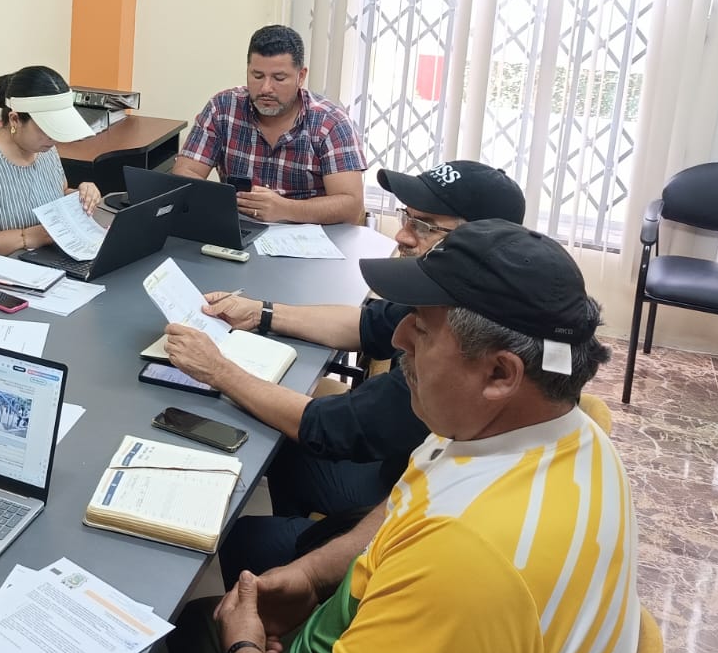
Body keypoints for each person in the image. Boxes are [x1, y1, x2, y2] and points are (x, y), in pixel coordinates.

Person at [169, 220, 639, 653]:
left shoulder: (472, 558)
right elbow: (406, 502)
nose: (398, 337)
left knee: (194, 636)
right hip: (386, 651)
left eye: (421, 328)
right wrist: (311, 575)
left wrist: (241, 652)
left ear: (500, 373)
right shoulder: (545, 431)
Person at [164, 161, 525, 580]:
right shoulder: (455, 294)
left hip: (398, 506)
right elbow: (366, 323)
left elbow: (328, 425)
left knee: (249, 539)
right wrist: (260, 312)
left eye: (424, 226)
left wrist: (218, 370)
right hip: (403, 470)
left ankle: (290, 582)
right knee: (285, 450)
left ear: (480, 239)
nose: (402, 236)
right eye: (407, 218)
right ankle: (301, 534)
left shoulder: (462, 348)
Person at [172, 25, 366, 225]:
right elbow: (184, 175)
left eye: (279, 78)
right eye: (257, 76)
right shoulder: (222, 108)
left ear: (301, 76)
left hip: (307, 234)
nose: (266, 88)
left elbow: (351, 206)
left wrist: (285, 209)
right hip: (239, 228)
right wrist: (222, 206)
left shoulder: (331, 122)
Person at [0, 66, 102, 267]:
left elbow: (56, 193)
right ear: (15, 119)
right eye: (47, 129)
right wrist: (25, 237)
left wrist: (79, 196)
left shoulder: (44, 150)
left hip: (45, 264)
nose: (54, 139)